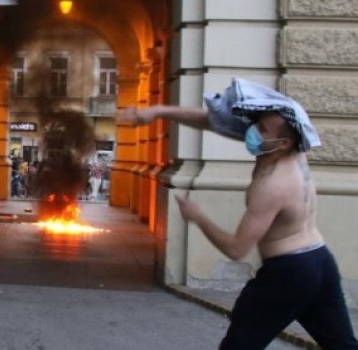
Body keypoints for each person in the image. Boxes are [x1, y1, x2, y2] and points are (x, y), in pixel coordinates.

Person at [117, 78, 358, 349]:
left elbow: (236, 248)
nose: (253, 131)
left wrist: (198, 217)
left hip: (288, 273)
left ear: (282, 143)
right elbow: (212, 120)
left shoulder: (274, 185)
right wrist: (158, 111)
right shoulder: (284, 147)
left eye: (262, 129)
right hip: (320, 262)